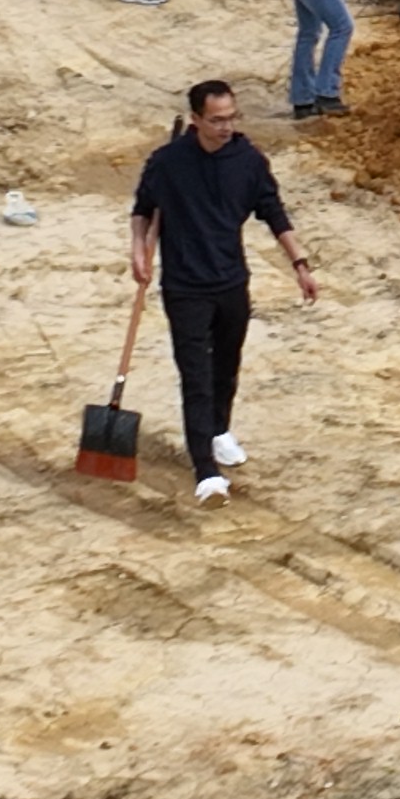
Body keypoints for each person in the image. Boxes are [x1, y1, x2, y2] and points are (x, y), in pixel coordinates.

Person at [128, 78, 319, 503]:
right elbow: (143, 209)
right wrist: (138, 251)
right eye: (217, 120)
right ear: (196, 120)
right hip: (185, 287)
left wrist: (300, 263)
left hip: (232, 282)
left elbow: (272, 211)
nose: (226, 127)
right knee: (195, 377)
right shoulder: (168, 162)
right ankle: (205, 471)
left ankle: (217, 430)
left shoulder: (247, 160)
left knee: (226, 368)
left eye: (231, 118)